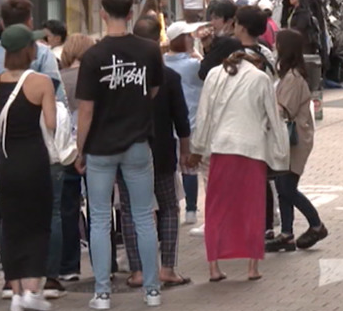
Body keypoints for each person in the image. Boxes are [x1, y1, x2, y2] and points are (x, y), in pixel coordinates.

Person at [75, 0, 165, 310]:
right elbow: (153, 89)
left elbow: (85, 110)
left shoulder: (93, 56)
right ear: (130, 15)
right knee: (143, 216)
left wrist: (79, 149)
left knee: (100, 218)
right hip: (138, 142)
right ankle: (152, 290)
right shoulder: (149, 50)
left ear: (102, 14)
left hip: (100, 145)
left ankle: (102, 293)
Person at [187, 46, 288, 282]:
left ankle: (214, 268)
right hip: (252, 150)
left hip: (220, 148)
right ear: (256, 62)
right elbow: (274, 118)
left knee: (216, 208)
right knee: (252, 207)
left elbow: (204, 114)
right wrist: (281, 153)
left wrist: (197, 148)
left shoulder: (214, 75)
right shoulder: (260, 78)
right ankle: (252, 268)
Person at [0, 26, 57, 311]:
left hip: (6, 163)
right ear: (28, 49)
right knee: (37, 225)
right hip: (34, 161)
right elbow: (51, 123)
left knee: (12, 226)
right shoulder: (42, 82)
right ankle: (32, 290)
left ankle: (15, 292)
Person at [121, 17, 192, 288]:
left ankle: (138, 270)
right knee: (169, 207)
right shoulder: (169, 77)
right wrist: (185, 151)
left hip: (127, 151)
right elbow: (181, 119)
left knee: (130, 209)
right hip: (162, 152)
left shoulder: (121, 78)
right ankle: (168, 268)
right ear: (158, 41)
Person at [265, 29, 328, 252]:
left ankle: (316, 224)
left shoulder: (292, 77)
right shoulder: (290, 75)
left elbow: (284, 109)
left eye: (278, 43)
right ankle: (287, 233)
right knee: (283, 185)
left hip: (294, 139)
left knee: (287, 187)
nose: (275, 47)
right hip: (289, 138)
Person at [53, 33, 93, 281]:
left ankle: (69, 266)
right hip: (94, 145)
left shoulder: (59, 79)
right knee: (100, 208)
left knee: (67, 208)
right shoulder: (94, 77)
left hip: (65, 148)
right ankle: (106, 263)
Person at [163, 23, 205, 225]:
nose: (192, 38)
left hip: (167, 122)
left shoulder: (162, 62)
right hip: (191, 120)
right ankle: (191, 209)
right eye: (188, 35)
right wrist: (197, 55)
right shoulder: (193, 65)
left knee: (171, 169)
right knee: (189, 166)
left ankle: (173, 206)